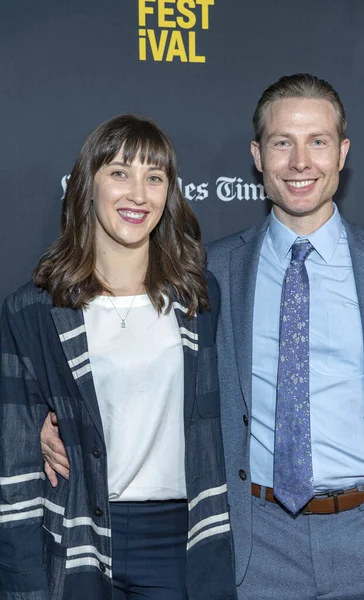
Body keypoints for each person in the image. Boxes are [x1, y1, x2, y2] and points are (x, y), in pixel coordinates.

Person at [41, 74, 364, 599]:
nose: (300, 161)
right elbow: (125, 346)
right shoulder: (207, 275)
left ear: (342, 152)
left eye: (317, 141)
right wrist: (54, 423)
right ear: (258, 155)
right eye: (283, 143)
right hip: (256, 544)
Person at [0, 114, 237, 600]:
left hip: (181, 539)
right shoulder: (34, 310)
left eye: (154, 177)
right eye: (119, 173)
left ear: (168, 194)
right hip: (77, 534)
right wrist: (22, 582)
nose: (138, 193)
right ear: (88, 184)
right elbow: (16, 465)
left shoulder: (197, 300)